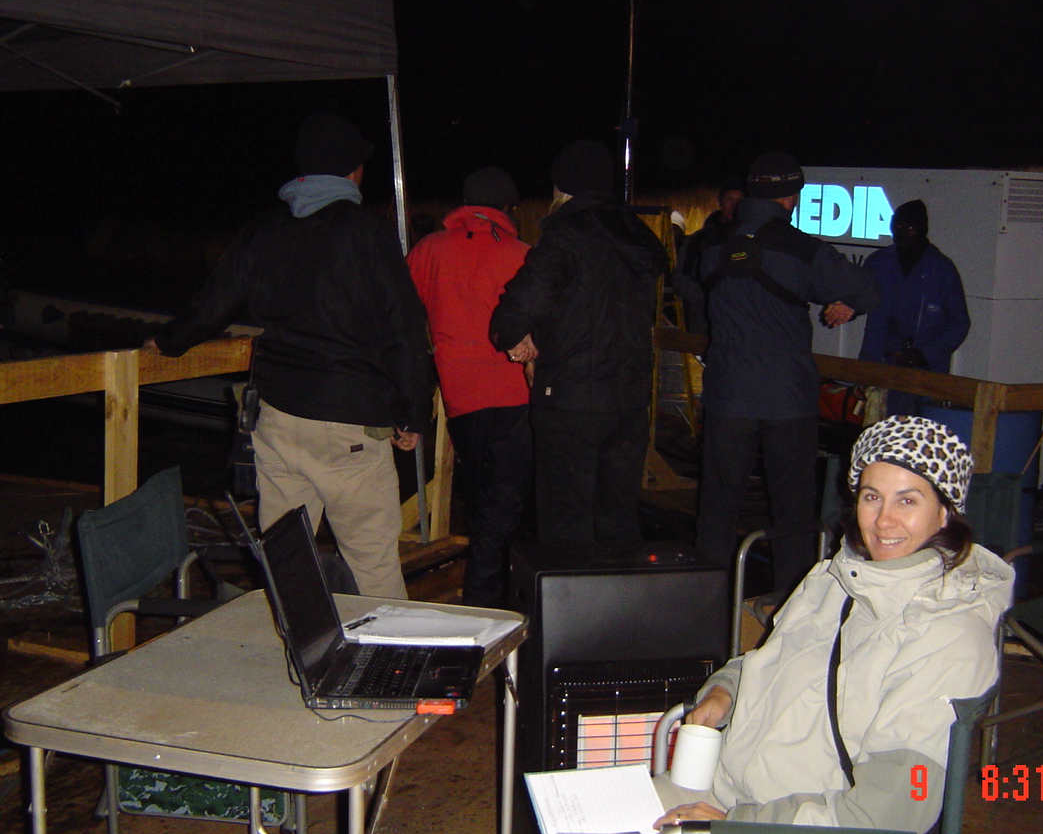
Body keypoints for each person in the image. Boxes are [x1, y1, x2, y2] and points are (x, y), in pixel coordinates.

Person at [531, 415, 1015, 834]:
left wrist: (735, 827)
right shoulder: (835, 579)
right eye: (872, 497)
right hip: (727, 791)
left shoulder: (950, 636)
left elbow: (887, 814)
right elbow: (764, 664)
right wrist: (723, 691)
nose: (884, 520)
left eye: (907, 501)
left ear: (946, 511)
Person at [150, 111, 432, 600]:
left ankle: (294, 658)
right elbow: (402, 331)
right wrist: (411, 414)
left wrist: (168, 342)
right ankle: (389, 666)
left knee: (288, 558)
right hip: (349, 423)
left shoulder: (264, 231)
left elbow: (212, 304)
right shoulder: (367, 233)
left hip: (277, 417)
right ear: (353, 172)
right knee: (371, 563)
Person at [696, 151, 880, 598]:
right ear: (791, 195)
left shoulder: (711, 249)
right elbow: (866, 289)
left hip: (728, 396)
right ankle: (790, 607)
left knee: (717, 506)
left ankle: (702, 603)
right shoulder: (802, 248)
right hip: (787, 398)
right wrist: (848, 302)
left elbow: (697, 288)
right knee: (793, 511)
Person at [490, 139, 669, 550]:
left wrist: (514, 336)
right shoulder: (636, 236)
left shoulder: (567, 234)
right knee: (618, 517)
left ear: (562, 190)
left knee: (566, 521)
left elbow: (521, 305)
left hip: (571, 400)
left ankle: (571, 614)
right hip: (629, 400)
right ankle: (621, 609)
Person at [407, 166, 532, 607]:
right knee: (506, 500)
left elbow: (403, 316)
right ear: (507, 208)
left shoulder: (428, 249)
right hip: (515, 391)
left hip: (459, 392)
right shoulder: (523, 252)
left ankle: (486, 586)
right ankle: (488, 596)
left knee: (480, 495)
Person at [857, 200, 970, 416]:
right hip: (881, 370)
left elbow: (959, 323)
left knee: (918, 441)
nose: (903, 233)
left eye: (910, 228)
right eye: (898, 227)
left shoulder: (942, 270)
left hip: (924, 375)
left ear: (923, 230)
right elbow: (859, 305)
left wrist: (923, 355)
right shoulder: (879, 263)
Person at [673, 177, 745, 336]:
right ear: (720, 203)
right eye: (729, 200)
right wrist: (710, 297)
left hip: (745, 329)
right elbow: (680, 281)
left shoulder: (757, 240)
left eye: (740, 200)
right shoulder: (698, 240)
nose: (735, 205)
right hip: (706, 326)